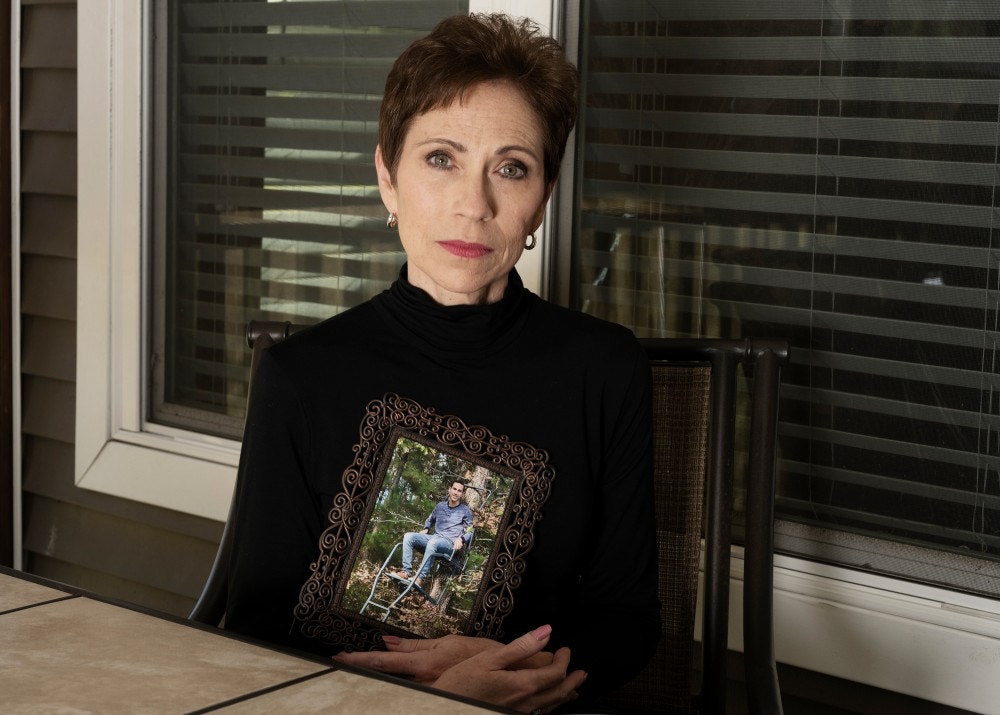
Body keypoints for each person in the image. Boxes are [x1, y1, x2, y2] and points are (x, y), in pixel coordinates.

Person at [225, 12, 659, 714]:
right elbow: (252, 631)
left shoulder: (604, 370)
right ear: (387, 179)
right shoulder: (300, 377)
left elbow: (628, 618)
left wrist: (507, 674)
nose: (474, 204)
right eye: (441, 158)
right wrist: (414, 696)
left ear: (542, 198)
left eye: (511, 168)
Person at [392, 480, 474, 588]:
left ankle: (420, 579)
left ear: (462, 494)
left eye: (459, 491)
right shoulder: (440, 506)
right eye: (454, 489)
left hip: (449, 544)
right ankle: (406, 572)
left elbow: (470, 530)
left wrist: (462, 539)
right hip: (435, 538)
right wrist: (426, 528)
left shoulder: (465, 510)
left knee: (433, 543)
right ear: (449, 489)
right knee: (408, 536)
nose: (456, 492)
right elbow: (430, 519)